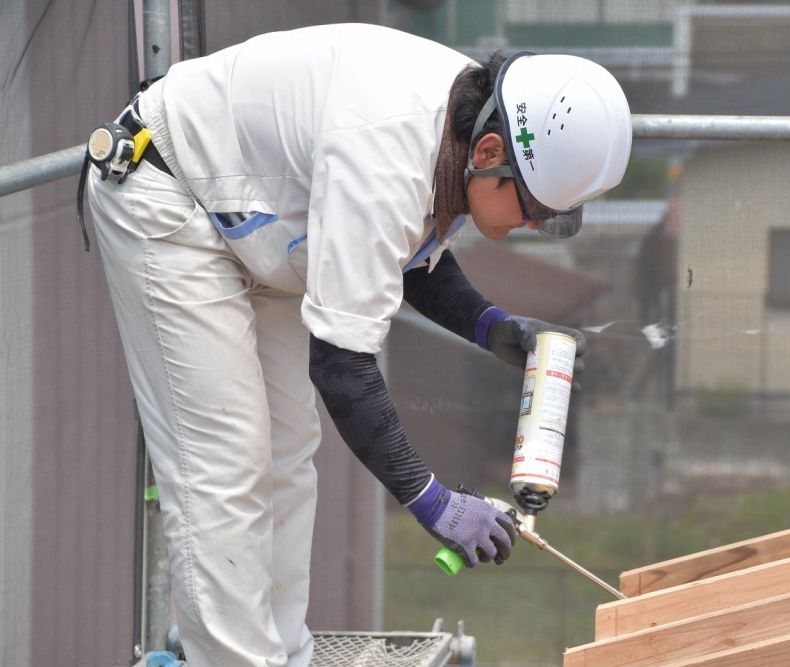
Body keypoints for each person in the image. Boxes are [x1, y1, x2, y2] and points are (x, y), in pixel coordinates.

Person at [85, 22, 631, 666]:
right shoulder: (387, 147)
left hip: (257, 218)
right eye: (533, 210)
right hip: (170, 192)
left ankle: (281, 655)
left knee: (287, 451)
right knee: (223, 466)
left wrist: (493, 327)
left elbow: (404, 250)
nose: (530, 227)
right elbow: (342, 367)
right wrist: (434, 502)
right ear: (490, 152)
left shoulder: (463, 120)